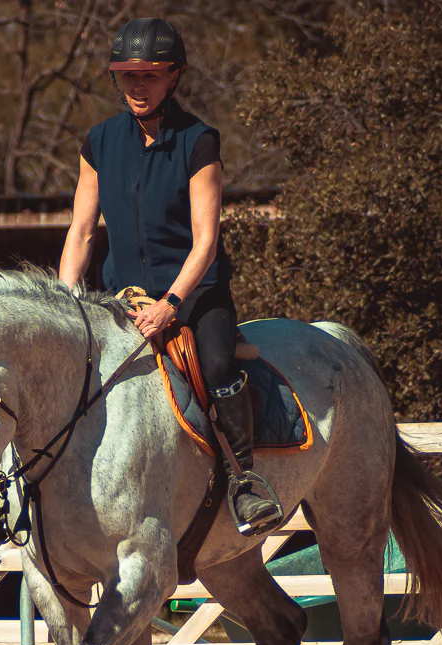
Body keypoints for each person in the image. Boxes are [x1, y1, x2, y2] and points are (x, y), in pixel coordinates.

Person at [59, 16, 279, 533]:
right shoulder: (99, 142)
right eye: (129, 76)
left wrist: (171, 306)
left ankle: (245, 479)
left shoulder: (199, 141)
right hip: (122, 298)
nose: (139, 86)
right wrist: (64, 298)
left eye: (151, 75)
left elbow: (206, 241)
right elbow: (82, 232)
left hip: (194, 296)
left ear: (174, 77)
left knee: (218, 362)